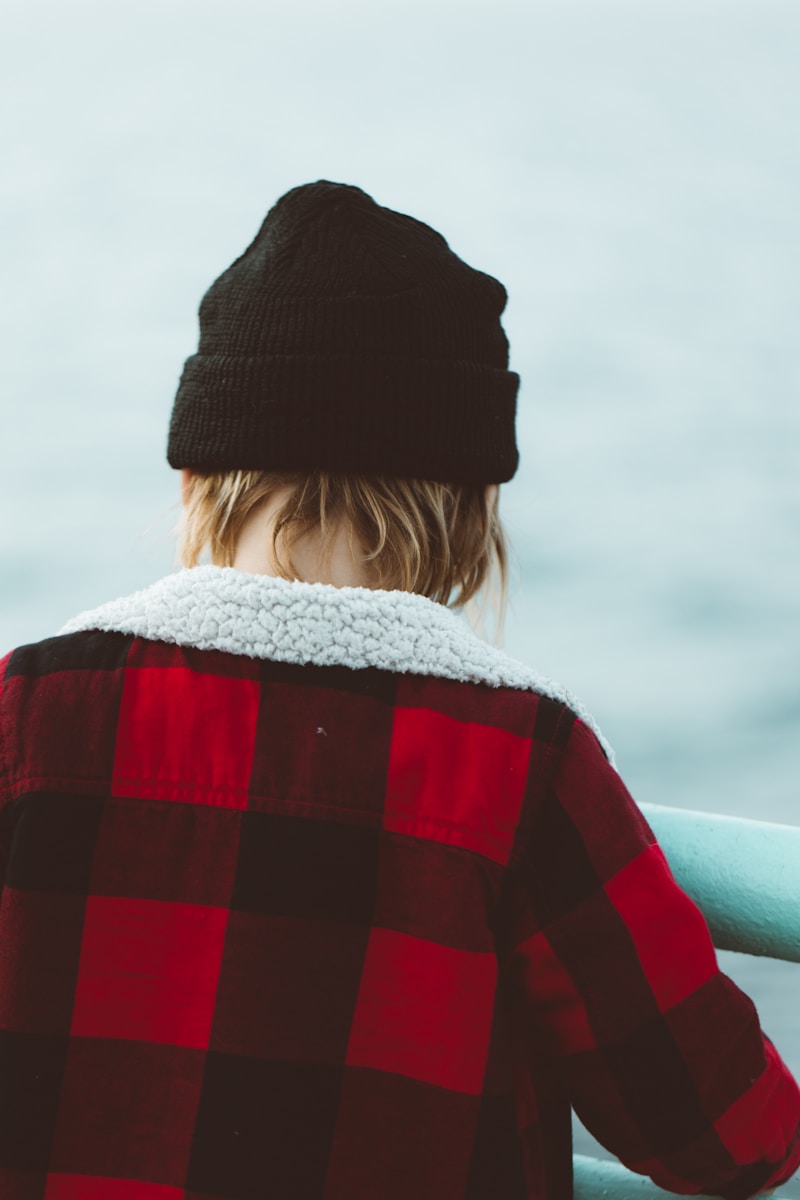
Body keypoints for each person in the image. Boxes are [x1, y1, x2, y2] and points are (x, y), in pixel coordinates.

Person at [0, 181, 798, 1200]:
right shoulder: (518, 759)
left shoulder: (29, 712)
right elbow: (733, 1137)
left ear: (198, 477)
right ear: (468, 509)